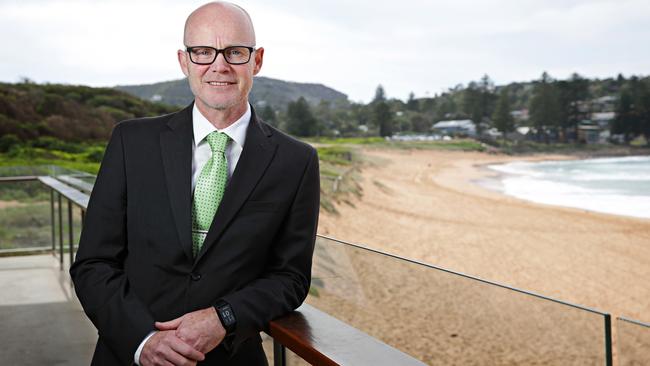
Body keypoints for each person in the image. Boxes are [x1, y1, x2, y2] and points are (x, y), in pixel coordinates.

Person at [69, 2, 320, 365]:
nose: (219, 65)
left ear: (257, 60)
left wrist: (224, 316)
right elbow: (93, 263)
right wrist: (143, 340)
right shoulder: (130, 142)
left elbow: (290, 277)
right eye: (203, 52)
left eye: (235, 51)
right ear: (184, 61)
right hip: (129, 356)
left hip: (231, 357)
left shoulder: (296, 161)